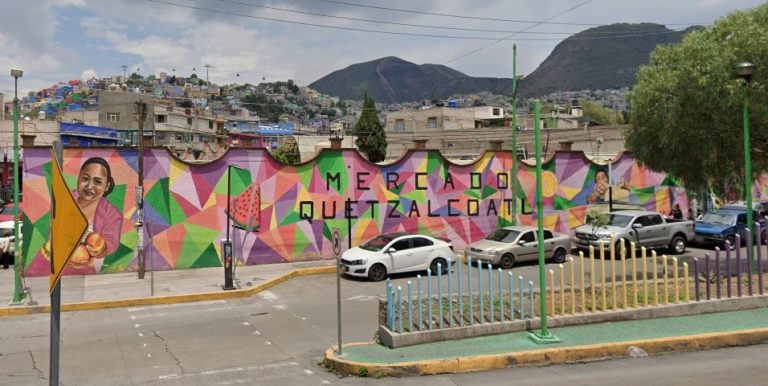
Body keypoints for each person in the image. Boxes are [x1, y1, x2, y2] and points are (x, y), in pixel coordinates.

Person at [41, 157, 123, 271]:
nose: (89, 186)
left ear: (107, 186)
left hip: (92, 274)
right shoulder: (63, 200)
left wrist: (100, 250)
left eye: (97, 182)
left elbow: (112, 242)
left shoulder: (113, 214)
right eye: (85, 178)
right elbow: (53, 230)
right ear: (78, 178)